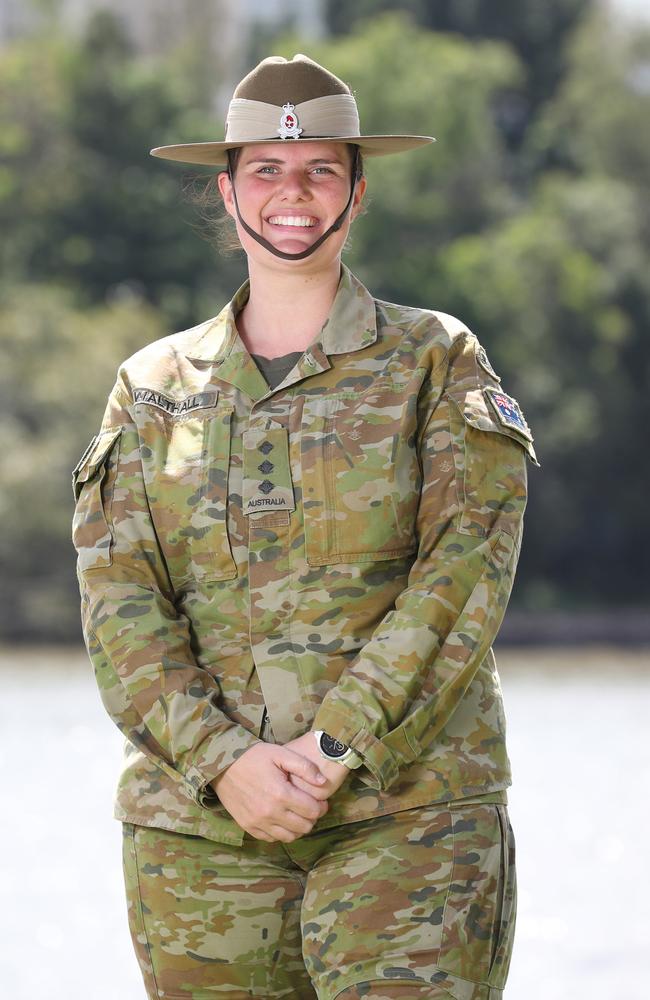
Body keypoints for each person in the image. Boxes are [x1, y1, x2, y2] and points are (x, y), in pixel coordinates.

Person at [72, 53, 538, 1000]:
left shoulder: (435, 360)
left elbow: (462, 576)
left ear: (356, 195)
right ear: (229, 190)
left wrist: (332, 752)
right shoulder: (151, 389)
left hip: (408, 821)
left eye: (322, 169)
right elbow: (120, 604)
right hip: (200, 840)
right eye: (268, 171)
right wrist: (226, 762)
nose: (295, 193)